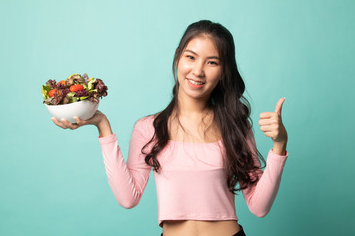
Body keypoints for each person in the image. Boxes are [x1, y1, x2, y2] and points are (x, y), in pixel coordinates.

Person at [52, 20, 288, 236]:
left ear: (223, 70)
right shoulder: (149, 128)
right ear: (178, 57)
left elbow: (259, 207)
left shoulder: (235, 126)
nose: (198, 71)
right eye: (191, 57)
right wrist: (103, 127)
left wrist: (279, 146)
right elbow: (128, 199)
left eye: (212, 62)